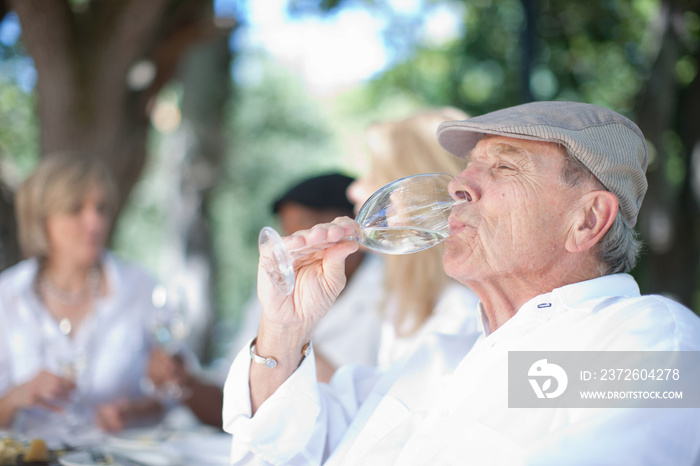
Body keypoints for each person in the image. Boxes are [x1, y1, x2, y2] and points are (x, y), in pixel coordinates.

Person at [222, 101, 700, 465]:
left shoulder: (644, 343)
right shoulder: (442, 357)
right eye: (470, 166)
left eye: (505, 166)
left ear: (587, 220)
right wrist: (285, 328)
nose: (457, 185)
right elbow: (274, 452)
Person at [147, 173, 385, 426]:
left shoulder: (393, 290)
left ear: (344, 226)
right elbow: (238, 400)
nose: (291, 247)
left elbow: (370, 410)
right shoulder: (275, 290)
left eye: (305, 228)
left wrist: (290, 341)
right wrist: (186, 383)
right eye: (286, 232)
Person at [0, 152, 163, 438]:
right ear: (41, 221)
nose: (94, 222)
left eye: (101, 208)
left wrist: (134, 412)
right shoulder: (8, 296)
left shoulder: (140, 287)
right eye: (76, 209)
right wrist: (15, 397)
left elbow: (170, 396)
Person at [346, 108, 480, 369]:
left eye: (375, 174)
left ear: (420, 193)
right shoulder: (404, 298)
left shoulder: (464, 316)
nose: (354, 189)